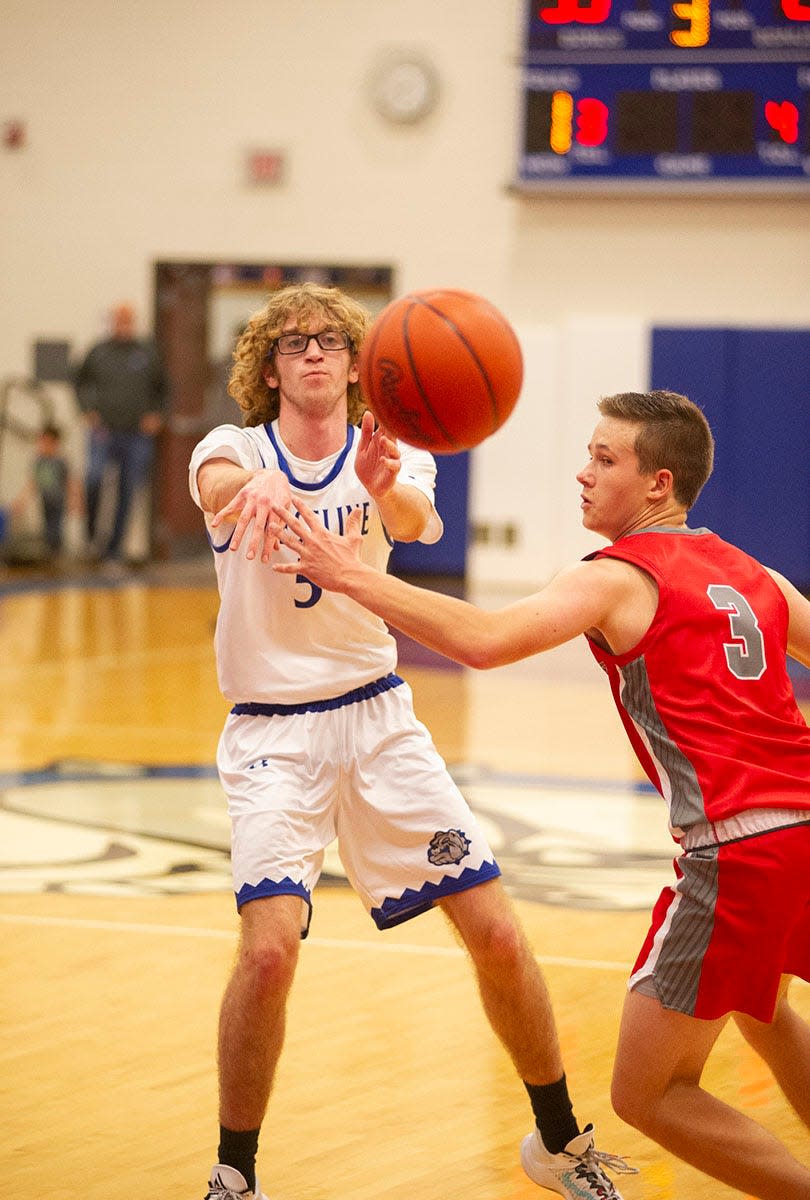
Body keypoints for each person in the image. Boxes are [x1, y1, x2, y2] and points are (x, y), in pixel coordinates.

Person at [274, 388, 810, 1200]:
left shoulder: (619, 577)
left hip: (738, 852)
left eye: (605, 459)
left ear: (658, 485)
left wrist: (350, 576)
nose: (582, 473)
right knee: (762, 1009)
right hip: (802, 830)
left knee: (648, 1094)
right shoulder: (756, 574)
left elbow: (485, 642)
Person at [188, 282, 634, 1200]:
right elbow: (215, 485)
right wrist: (251, 484)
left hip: (378, 719)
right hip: (274, 732)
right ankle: (235, 1173)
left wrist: (387, 489)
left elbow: (413, 525)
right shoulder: (233, 449)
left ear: (358, 363)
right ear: (268, 369)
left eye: (329, 341)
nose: (312, 353)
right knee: (269, 952)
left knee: (499, 934)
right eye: (293, 342)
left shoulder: (393, 451)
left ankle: (558, 1141)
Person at [74, 301, 168, 564]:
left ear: (134, 322)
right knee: (93, 480)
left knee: (128, 491)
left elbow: (163, 389)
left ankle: (113, 550)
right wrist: (86, 409)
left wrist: (157, 415)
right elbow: (79, 381)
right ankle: (93, 538)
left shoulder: (147, 353)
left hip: (136, 435)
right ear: (112, 321)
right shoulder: (99, 351)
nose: (123, 324)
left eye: (128, 320)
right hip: (103, 431)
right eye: (119, 319)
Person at [10, 423, 83, 563]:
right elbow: (33, 483)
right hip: (46, 501)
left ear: (56, 443)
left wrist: (75, 500)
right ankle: (51, 556)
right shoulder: (39, 461)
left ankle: (56, 556)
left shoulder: (61, 461)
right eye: (43, 441)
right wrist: (21, 501)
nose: (45, 445)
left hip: (58, 502)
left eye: (48, 442)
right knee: (47, 530)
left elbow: (69, 481)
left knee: (56, 530)